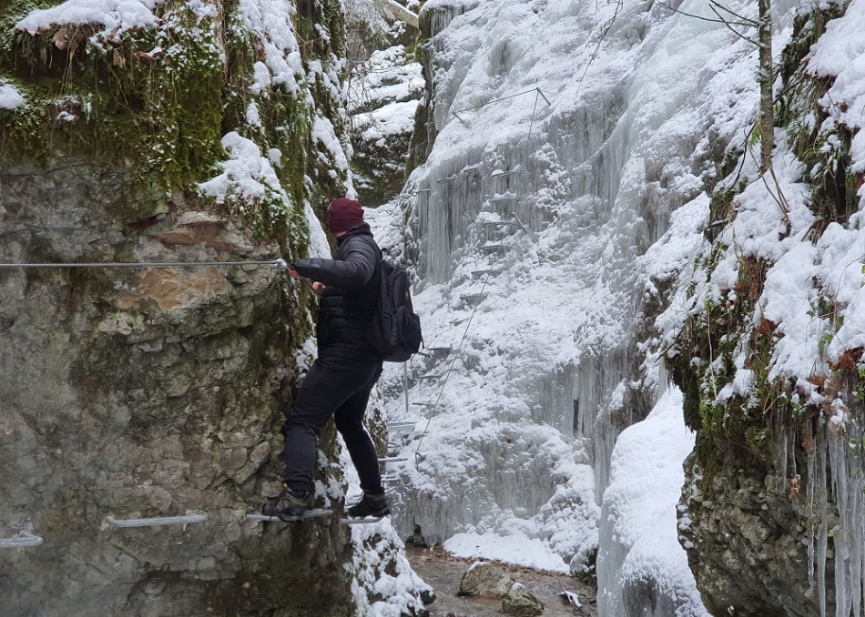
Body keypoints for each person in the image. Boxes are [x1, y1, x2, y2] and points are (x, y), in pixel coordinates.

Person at [263, 197, 390, 521]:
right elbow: (358, 289)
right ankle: (375, 498)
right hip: (366, 360)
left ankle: (295, 496)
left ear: (335, 224)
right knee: (349, 423)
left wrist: (305, 265)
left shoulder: (358, 245)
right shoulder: (364, 243)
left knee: (303, 422)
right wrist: (330, 285)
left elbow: (357, 273)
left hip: (346, 356)